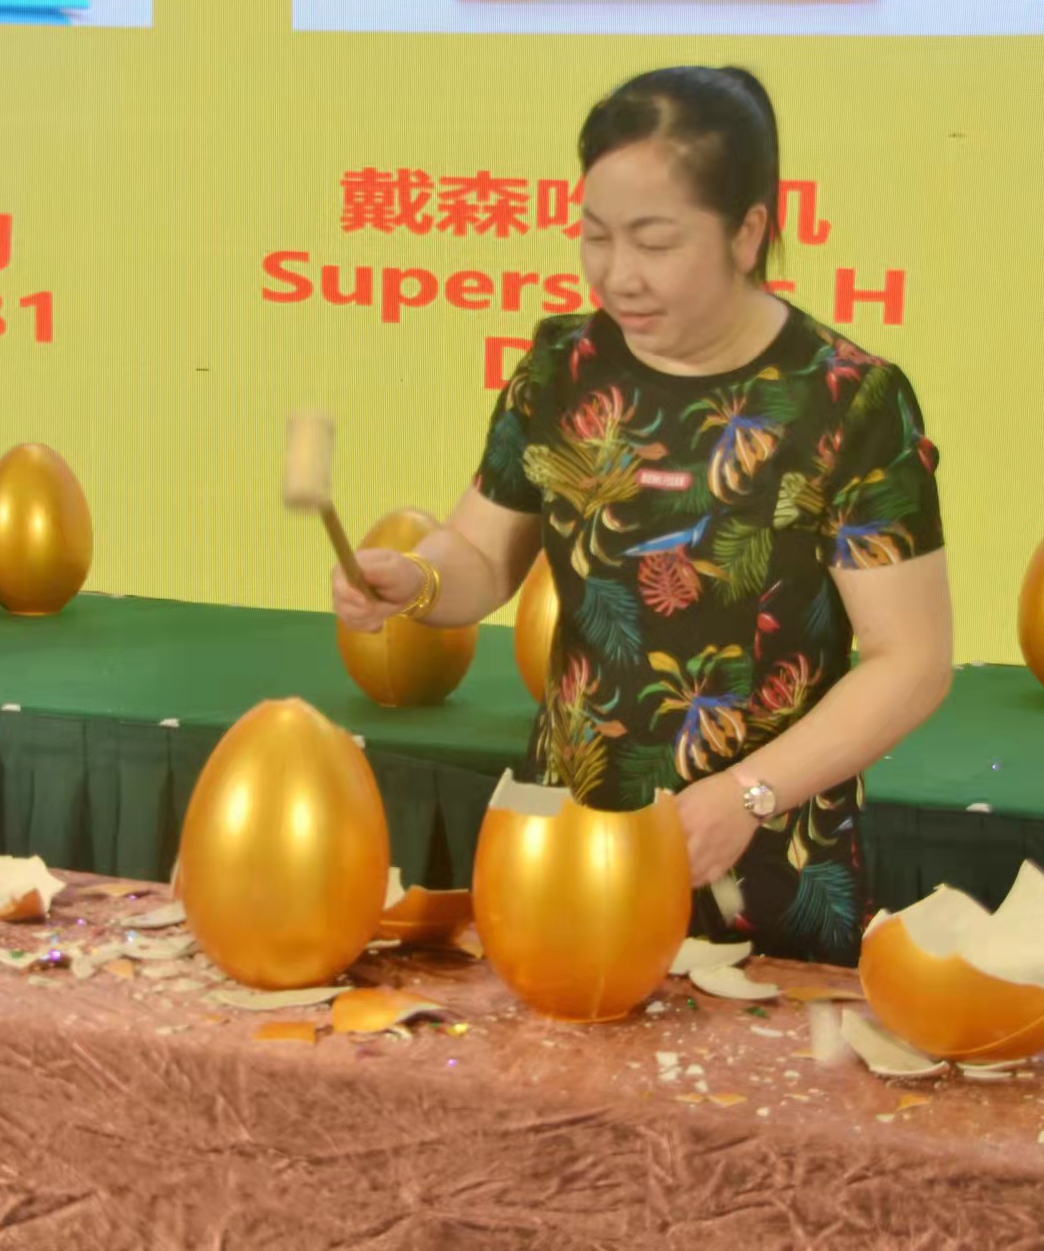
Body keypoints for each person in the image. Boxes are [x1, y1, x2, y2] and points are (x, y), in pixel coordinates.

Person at [332, 65, 952, 965]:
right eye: (596, 237)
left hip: (765, 853)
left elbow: (912, 661)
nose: (619, 276)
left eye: (655, 243)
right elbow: (481, 555)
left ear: (748, 232)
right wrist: (417, 580)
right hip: (566, 839)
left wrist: (747, 795)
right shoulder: (564, 367)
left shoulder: (847, 401)